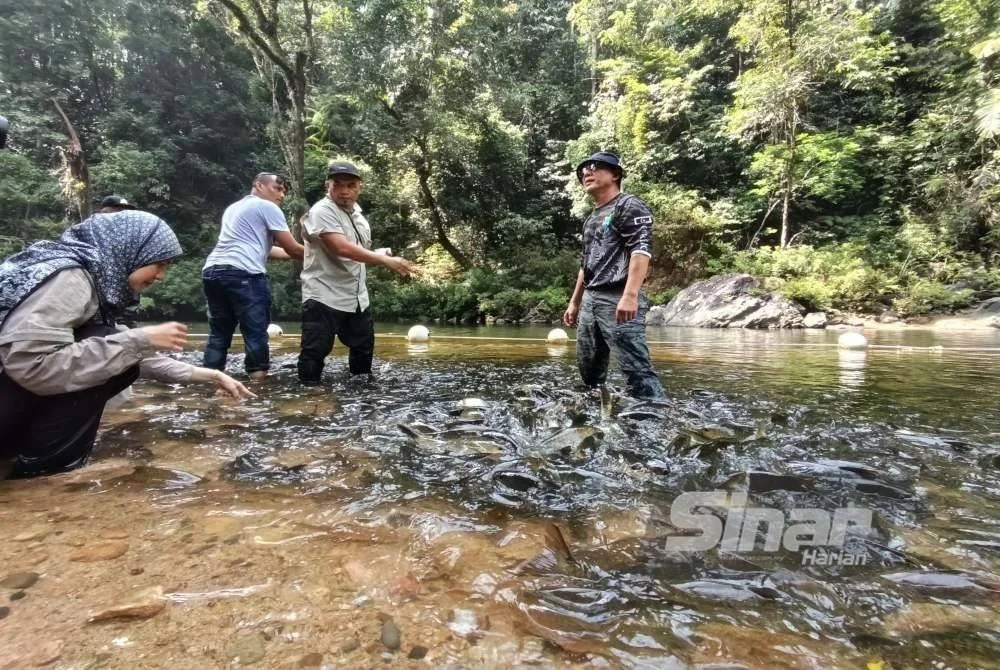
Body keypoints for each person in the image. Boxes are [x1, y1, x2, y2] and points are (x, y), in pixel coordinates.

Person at [0, 210, 254, 479]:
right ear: (132, 251)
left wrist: (209, 375)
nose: (161, 276)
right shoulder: (70, 278)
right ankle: (44, 472)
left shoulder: (87, 276)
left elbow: (126, 350)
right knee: (117, 360)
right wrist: (139, 340)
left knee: (116, 350)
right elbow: (33, 365)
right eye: (160, 264)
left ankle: (20, 461)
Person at [297, 161, 414, 384]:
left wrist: (380, 254)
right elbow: (340, 248)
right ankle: (308, 396)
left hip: (356, 296)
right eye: (338, 185)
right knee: (315, 351)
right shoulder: (321, 211)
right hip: (323, 294)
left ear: (360, 187)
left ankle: (361, 399)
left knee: (363, 350)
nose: (344, 191)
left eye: (351, 185)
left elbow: (357, 252)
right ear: (327, 187)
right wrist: (383, 260)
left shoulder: (359, 217)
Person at [562, 151, 666, 399]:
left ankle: (652, 417)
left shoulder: (629, 205)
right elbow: (585, 263)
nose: (586, 172)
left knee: (636, 369)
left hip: (618, 297)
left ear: (616, 174)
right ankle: (595, 418)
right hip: (591, 298)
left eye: (594, 167)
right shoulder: (591, 218)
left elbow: (641, 251)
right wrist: (574, 302)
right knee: (589, 370)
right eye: (582, 170)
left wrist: (630, 295)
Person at [202, 172, 304, 379]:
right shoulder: (267, 207)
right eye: (278, 188)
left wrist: (309, 255)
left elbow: (267, 250)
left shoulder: (234, 208)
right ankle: (258, 387)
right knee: (256, 333)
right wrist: (327, 253)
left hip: (213, 271)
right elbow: (293, 249)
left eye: (284, 190)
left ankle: (207, 383)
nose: (282, 194)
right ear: (259, 185)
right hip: (244, 274)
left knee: (219, 334)